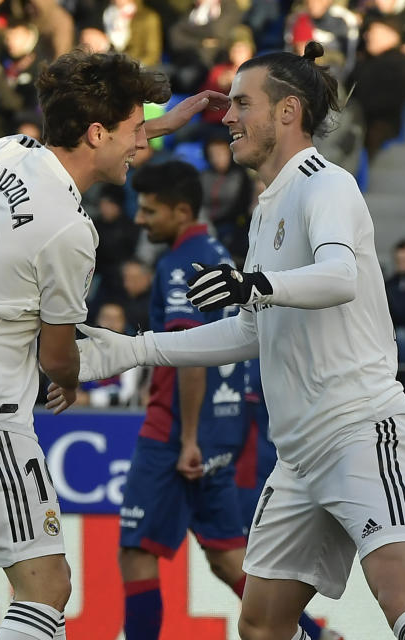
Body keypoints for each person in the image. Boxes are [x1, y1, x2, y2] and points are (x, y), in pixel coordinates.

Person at [51, 42, 405, 640]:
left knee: (404, 599)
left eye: (241, 104)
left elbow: (338, 277)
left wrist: (254, 282)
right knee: (260, 625)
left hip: (361, 429)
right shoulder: (267, 208)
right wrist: (132, 349)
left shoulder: (325, 184)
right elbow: (251, 328)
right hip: (300, 454)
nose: (227, 117)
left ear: (287, 112)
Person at [0, 49, 227, 640]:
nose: (139, 145)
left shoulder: (6, 151)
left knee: (33, 582)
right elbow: (56, 355)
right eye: (131, 131)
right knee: (46, 586)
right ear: (96, 132)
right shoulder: (72, 231)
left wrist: (163, 122)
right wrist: (68, 380)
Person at [119, 160, 250, 639]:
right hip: (222, 423)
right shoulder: (218, 253)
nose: (139, 220)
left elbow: (192, 353)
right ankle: (318, 636)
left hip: (176, 430)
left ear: (180, 210)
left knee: (136, 551)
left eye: (149, 211)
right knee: (224, 552)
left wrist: (189, 438)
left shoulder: (180, 265)